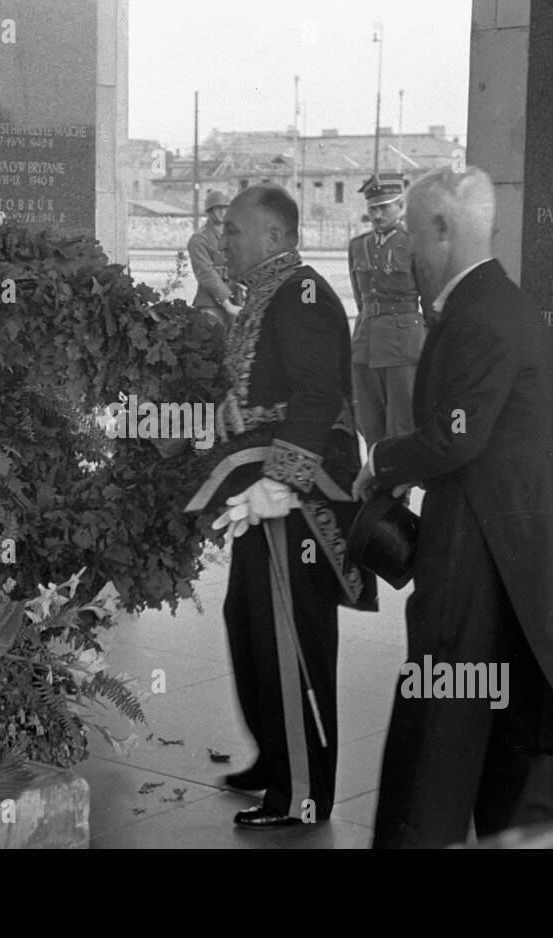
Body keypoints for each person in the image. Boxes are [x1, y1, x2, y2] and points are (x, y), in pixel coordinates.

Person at [350, 165, 553, 848]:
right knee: (508, 755)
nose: (408, 259)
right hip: (512, 560)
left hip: (479, 564)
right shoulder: (500, 304)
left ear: (441, 229)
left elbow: (457, 436)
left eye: (416, 240)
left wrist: (382, 466)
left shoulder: (480, 315)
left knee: (436, 746)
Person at [184, 185, 370, 829]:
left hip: (297, 499)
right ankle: (274, 759)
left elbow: (320, 397)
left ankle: (303, 794)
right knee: (250, 621)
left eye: (232, 231)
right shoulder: (268, 292)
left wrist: (283, 482)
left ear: (272, 237)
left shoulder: (304, 294)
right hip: (259, 493)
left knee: (291, 639)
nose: (221, 239)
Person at [348, 177, 427, 449]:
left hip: (403, 341)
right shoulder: (358, 245)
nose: (377, 215)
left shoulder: (415, 245)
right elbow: (361, 298)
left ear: (401, 207)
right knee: (369, 418)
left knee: (401, 421)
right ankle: (375, 480)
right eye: (372, 209)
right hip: (366, 340)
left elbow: (427, 301)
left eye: (384, 207)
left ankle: (398, 487)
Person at [187, 190, 240, 340]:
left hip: (235, 302)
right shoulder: (199, 239)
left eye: (226, 208)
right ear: (210, 211)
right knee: (213, 350)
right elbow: (206, 274)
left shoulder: (234, 236)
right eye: (219, 208)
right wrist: (227, 304)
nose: (223, 212)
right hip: (211, 306)